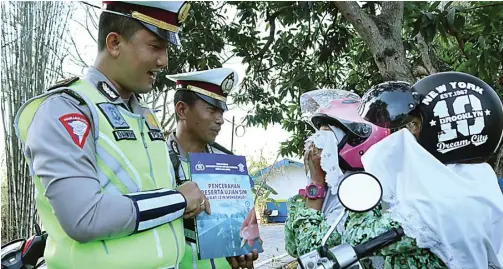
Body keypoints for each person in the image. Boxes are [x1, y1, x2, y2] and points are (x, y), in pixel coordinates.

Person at [14, 2, 209, 268]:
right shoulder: (67, 109)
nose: (164, 61)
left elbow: (155, 211)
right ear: (115, 43)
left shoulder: (144, 117)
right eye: (155, 47)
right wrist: (179, 200)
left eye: (166, 49)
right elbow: (84, 217)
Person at [351, 74, 503, 268]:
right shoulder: (485, 184)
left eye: (414, 124)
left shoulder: (426, 207)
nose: (409, 133)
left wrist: (318, 183)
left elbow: (354, 240)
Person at [165, 68, 259, 269]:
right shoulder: (158, 159)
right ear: (182, 110)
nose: (220, 120)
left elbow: (242, 229)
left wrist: (246, 251)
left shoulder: (229, 163)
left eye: (222, 111)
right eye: (211, 109)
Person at [284, 89, 390, 258]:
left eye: (325, 137)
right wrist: (314, 184)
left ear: (358, 139)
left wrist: (317, 183)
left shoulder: (361, 193)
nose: (314, 144)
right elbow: (291, 246)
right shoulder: (332, 184)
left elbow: (310, 253)